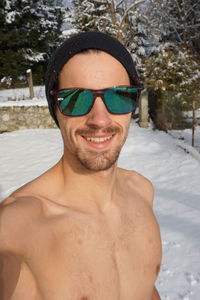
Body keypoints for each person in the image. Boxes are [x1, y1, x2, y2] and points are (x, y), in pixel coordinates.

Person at [0, 31, 162, 300]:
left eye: (119, 96)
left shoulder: (142, 192)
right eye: (77, 99)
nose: (99, 119)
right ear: (56, 108)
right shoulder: (16, 226)